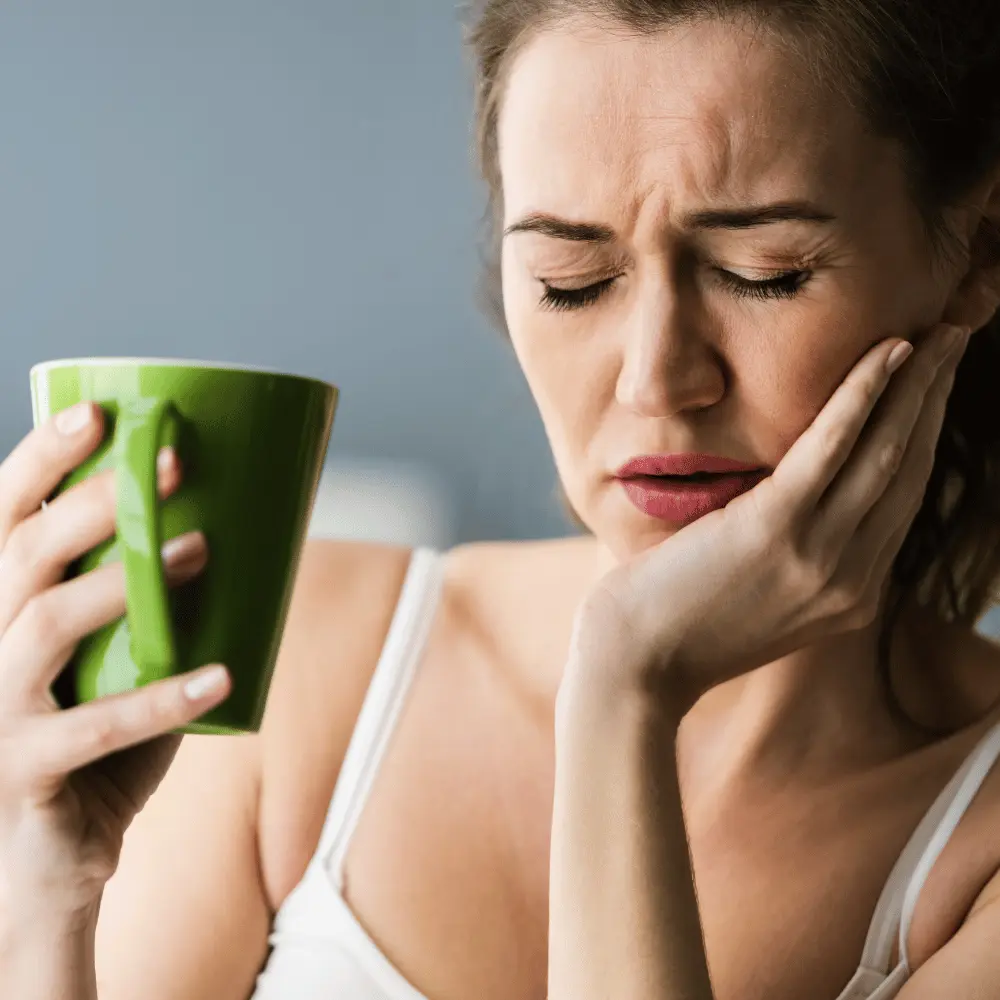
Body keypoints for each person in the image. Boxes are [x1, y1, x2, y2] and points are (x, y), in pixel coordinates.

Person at [3, 0, 1000, 997]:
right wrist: (50, 891)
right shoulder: (312, 660)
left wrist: (624, 690)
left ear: (977, 253)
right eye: (571, 280)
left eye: (763, 273)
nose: (655, 379)